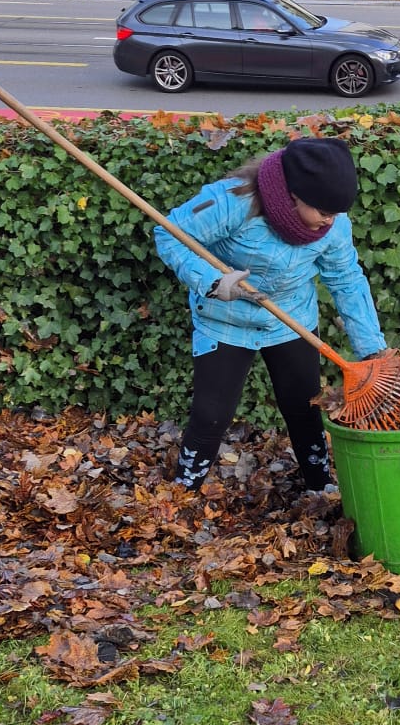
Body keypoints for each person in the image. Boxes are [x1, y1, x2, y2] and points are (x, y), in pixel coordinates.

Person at [153, 136, 385, 492]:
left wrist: (371, 349)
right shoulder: (232, 202)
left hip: (291, 320)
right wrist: (212, 282)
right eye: (324, 212)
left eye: (336, 213)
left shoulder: (334, 224)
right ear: (294, 196)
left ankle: (320, 488)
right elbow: (170, 235)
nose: (331, 220)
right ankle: (183, 491)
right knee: (211, 415)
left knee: (304, 409)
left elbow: (346, 279)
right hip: (224, 320)